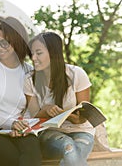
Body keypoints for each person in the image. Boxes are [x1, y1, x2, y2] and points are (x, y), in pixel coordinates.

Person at [0, 16, 42, 166]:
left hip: (21, 131)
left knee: (33, 155)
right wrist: (9, 124)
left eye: (4, 43)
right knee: (13, 160)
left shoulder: (29, 71)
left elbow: (33, 109)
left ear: (17, 40)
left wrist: (22, 126)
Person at [24, 32, 95, 166]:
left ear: (53, 53)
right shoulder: (29, 80)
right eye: (32, 53)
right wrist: (46, 110)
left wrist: (65, 115)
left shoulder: (76, 74)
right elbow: (34, 114)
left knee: (76, 151)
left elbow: (83, 117)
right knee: (69, 148)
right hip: (49, 132)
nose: (33, 58)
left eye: (38, 53)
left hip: (81, 130)